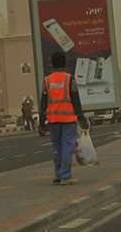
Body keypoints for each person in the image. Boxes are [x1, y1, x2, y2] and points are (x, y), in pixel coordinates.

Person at [39, 52, 88, 185]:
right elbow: (76, 100)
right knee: (67, 147)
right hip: (68, 119)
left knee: (57, 147)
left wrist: (41, 123)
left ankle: (58, 174)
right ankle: (65, 176)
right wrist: (81, 118)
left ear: (52, 64)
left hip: (53, 120)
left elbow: (43, 103)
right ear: (64, 63)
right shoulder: (69, 79)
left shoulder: (47, 81)